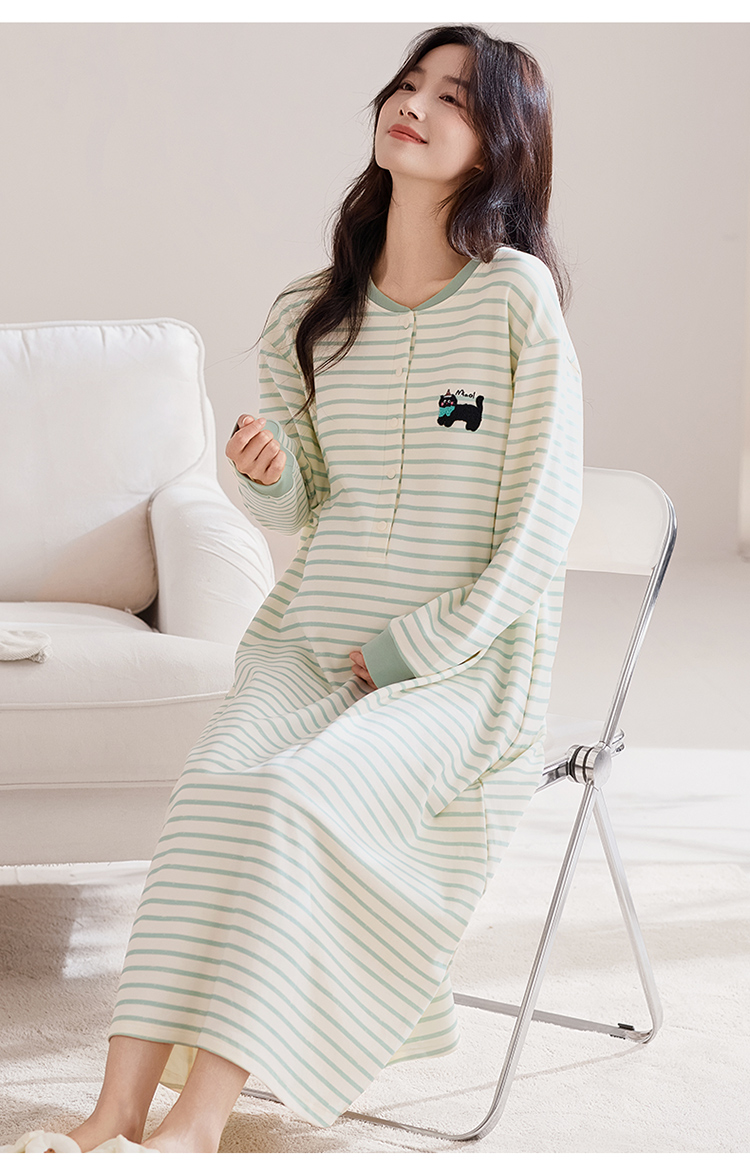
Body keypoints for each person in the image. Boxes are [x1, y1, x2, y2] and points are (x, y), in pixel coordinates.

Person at [2, 23, 583, 1154]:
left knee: (287, 800)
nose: (414, 103)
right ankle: (113, 1110)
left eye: (454, 97)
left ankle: (198, 1122)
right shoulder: (310, 311)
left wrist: (419, 648)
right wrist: (262, 474)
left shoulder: (514, 300)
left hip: (459, 672)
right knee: (209, 798)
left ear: (497, 145)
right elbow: (302, 507)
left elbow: (541, 517)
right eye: (409, 83)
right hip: (308, 641)